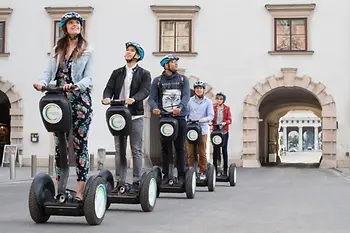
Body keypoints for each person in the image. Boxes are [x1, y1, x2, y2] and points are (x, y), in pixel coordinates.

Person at [33, 12, 94, 202]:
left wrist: (76, 85)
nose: (75, 25)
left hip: (79, 101)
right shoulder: (57, 49)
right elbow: (48, 72)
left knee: (79, 145)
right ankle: (60, 188)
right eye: (71, 23)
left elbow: (89, 77)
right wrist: (41, 82)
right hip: (59, 100)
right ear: (65, 27)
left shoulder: (88, 50)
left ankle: (80, 190)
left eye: (77, 23)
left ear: (81, 27)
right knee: (60, 145)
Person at [102, 41, 151, 193]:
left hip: (135, 115)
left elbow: (145, 90)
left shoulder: (144, 74)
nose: (128, 52)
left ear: (137, 56)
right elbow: (108, 88)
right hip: (118, 115)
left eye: (131, 51)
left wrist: (134, 98)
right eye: (127, 50)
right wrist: (106, 97)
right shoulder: (117, 72)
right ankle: (120, 181)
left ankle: (136, 181)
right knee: (119, 150)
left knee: (135, 149)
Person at [148, 54, 190, 185]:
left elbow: (186, 95)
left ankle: (182, 175)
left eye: (176, 62)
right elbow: (152, 98)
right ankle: (166, 174)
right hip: (164, 118)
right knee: (165, 148)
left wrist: (181, 107)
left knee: (180, 147)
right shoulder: (158, 80)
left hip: (179, 117)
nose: (176, 64)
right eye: (173, 62)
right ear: (166, 65)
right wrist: (154, 107)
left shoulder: (183, 79)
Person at [186, 81, 214, 180]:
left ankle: (203, 172)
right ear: (195, 90)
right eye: (197, 88)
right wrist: (186, 119)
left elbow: (211, 115)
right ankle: (190, 172)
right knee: (190, 152)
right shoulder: (189, 101)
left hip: (202, 129)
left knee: (202, 152)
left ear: (203, 90)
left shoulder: (208, 102)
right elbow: (186, 113)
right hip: (191, 129)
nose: (199, 90)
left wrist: (204, 119)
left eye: (200, 88)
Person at [209, 92, 232, 176]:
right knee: (216, 150)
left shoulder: (227, 108)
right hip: (215, 131)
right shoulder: (213, 108)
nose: (219, 100)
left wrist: (225, 122)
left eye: (221, 99)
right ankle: (215, 169)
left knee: (224, 150)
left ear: (223, 100)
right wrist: (210, 122)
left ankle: (225, 169)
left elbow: (230, 119)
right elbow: (210, 116)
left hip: (224, 131)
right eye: (218, 99)